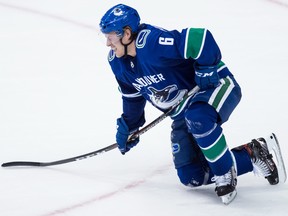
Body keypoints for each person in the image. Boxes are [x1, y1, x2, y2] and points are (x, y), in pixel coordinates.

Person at [99, 4, 283, 204]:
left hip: (215, 86)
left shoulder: (151, 43)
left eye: (110, 36)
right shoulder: (117, 63)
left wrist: (207, 68)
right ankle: (253, 154)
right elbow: (132, 97)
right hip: (182, 111)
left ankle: (224, 174)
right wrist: (129, 126)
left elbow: (200, 38)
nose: (108, 43)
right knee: (191, 175)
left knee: (198, 117)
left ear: (127, 34)